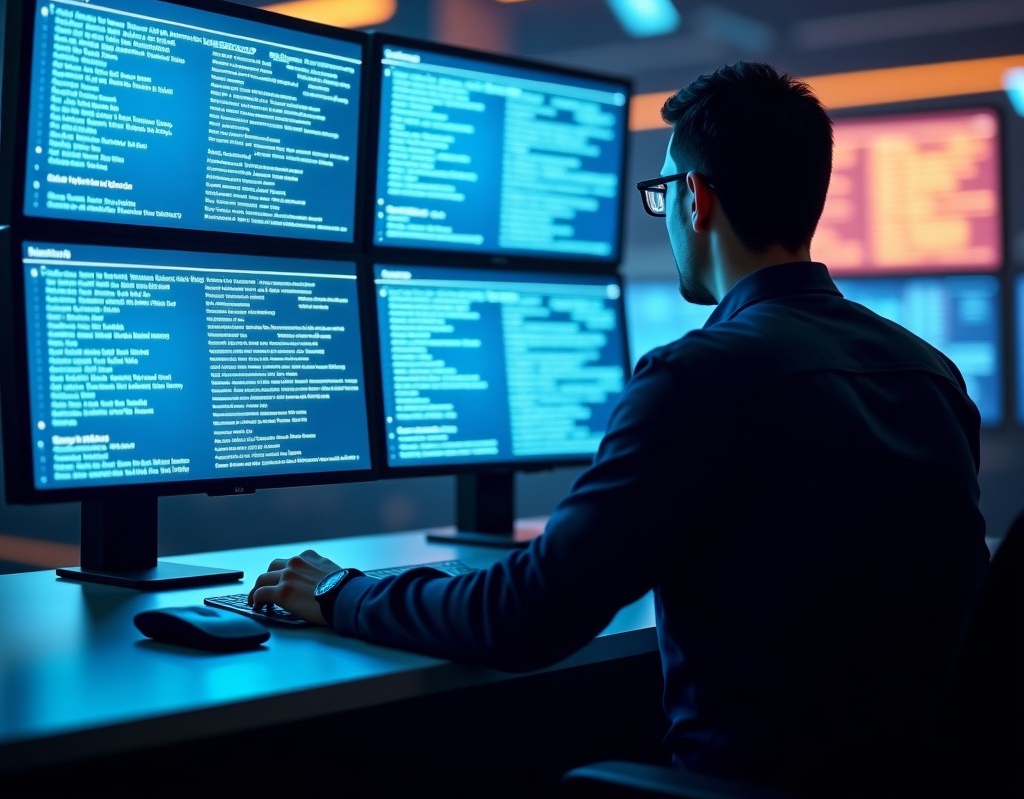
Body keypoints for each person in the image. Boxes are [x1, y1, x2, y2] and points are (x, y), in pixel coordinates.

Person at [249, 60, 989, 796]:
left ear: (695, 199)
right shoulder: (928, 371)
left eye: (663, 190)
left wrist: (343, 591)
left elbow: (526, 616)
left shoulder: (695, 378)